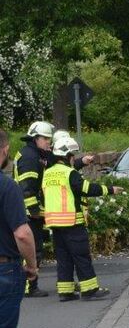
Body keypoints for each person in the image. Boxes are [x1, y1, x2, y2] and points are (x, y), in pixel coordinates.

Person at [42, 135, 123, 302]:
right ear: (67, 157)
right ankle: (89, 290)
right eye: (73, 156)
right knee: (81, 256)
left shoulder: (48, 173)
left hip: (54, 223)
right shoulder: (69, 173)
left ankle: (65, 292)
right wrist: (110, 190)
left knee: (63, 258)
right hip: (72, 222)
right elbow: (86, 188)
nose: (74, 159)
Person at [0, 128, 38, 328]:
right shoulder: (7, 186)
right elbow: (22, 234)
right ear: (3, 150)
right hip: (4, 270)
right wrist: (32, 266)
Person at [13, 121, 54, 297]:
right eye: (45, 139)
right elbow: (27, 188)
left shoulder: (33, 153)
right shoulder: (30, 157)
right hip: (29, 213)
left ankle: (29, 285)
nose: (48, 142)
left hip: (28, 211)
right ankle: (30, 286)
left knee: (34, 247)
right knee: (31, 248)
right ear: (36, 138)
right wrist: (35, 211)